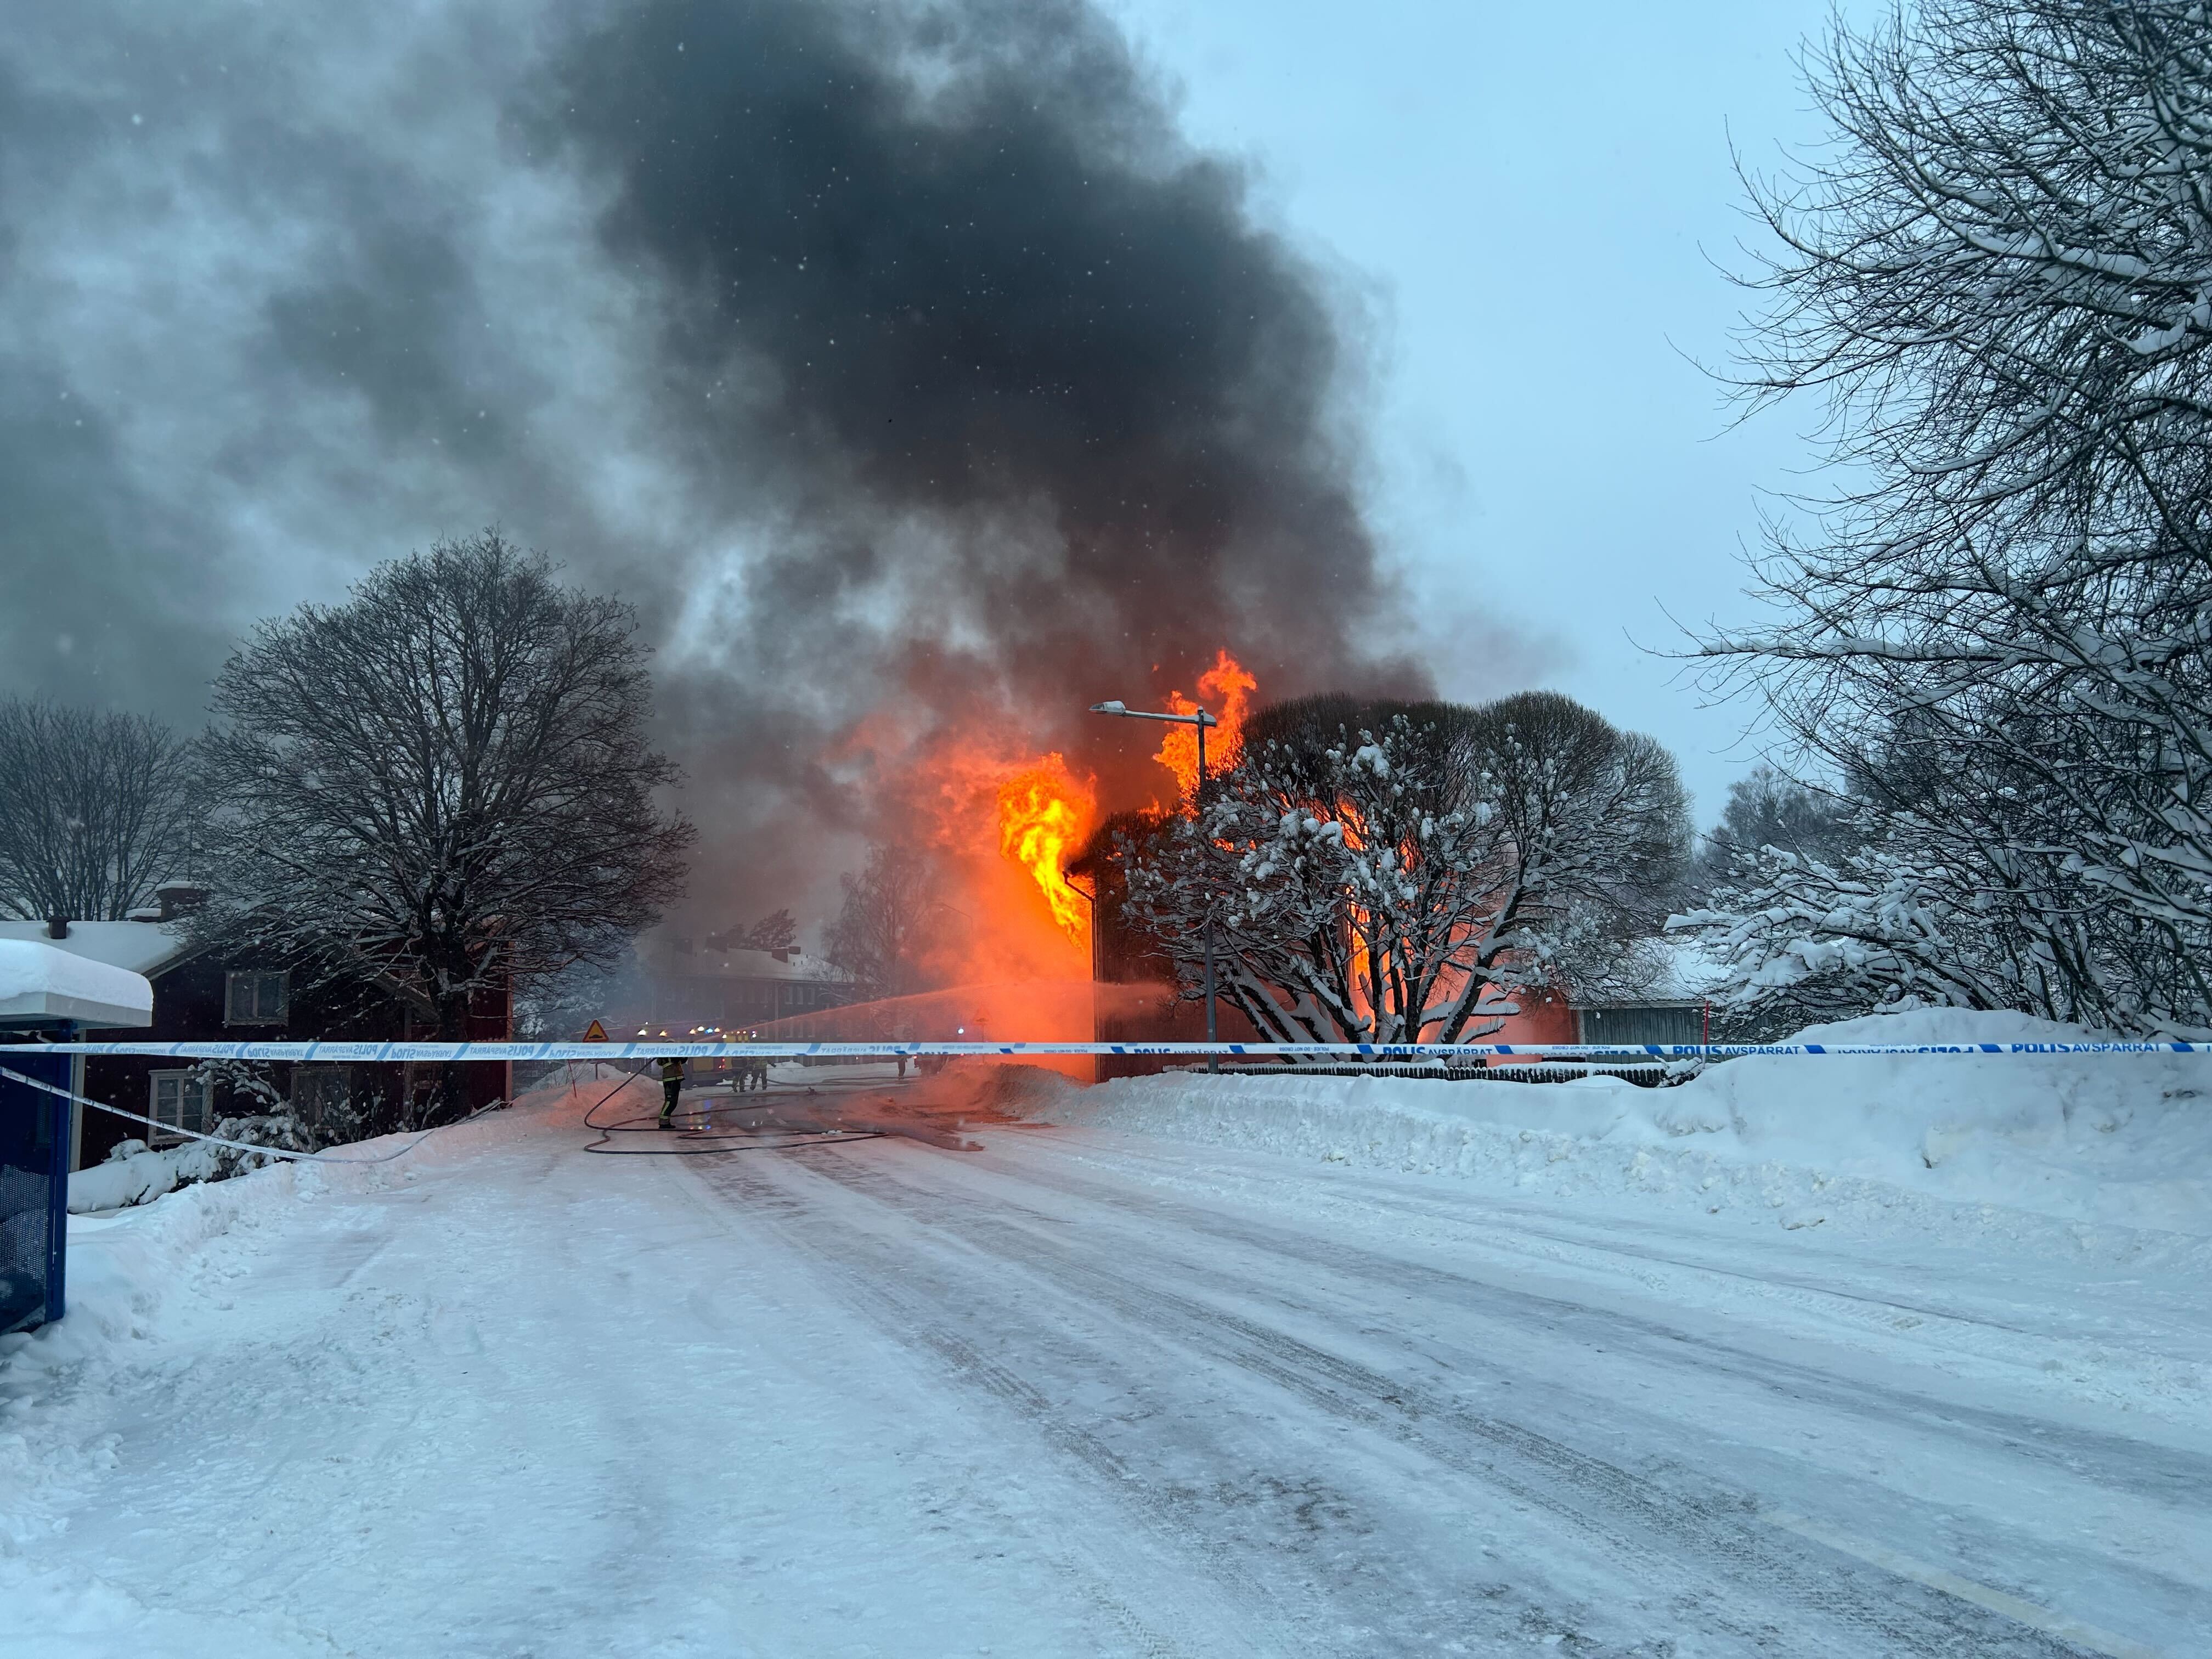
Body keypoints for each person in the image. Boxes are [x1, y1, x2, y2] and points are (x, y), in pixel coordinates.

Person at [656, 1055, 685, 1126]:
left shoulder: (672, 1055)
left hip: (674, 1078)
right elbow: (675, 1060)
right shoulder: (668, 1054)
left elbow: (682, 1061)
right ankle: (663, 1122)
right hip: (671, 1079)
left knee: (673, 1102)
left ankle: (665, 1121)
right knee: (670, 1101)